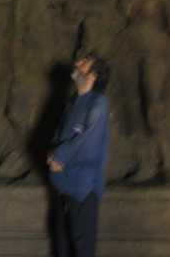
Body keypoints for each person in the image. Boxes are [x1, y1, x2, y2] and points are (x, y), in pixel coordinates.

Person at [47, 53, 110, 257]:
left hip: (83, 190)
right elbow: (61, 134)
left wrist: (59, 156)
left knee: (82, 250)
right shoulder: (75, 101)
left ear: (93, 75)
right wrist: (52, 154)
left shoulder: (98, 104)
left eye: (84, 63)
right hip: (64, 187)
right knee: (63, 248)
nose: (77, 64)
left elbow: (87, 141)